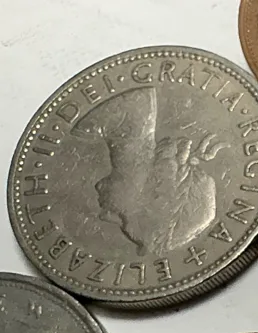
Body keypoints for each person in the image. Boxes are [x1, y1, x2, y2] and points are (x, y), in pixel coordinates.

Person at [73, 87, 223, 256]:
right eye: (123, 218)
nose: (103, 216)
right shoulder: (129, 109)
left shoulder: (117, 116)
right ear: (157, 188)